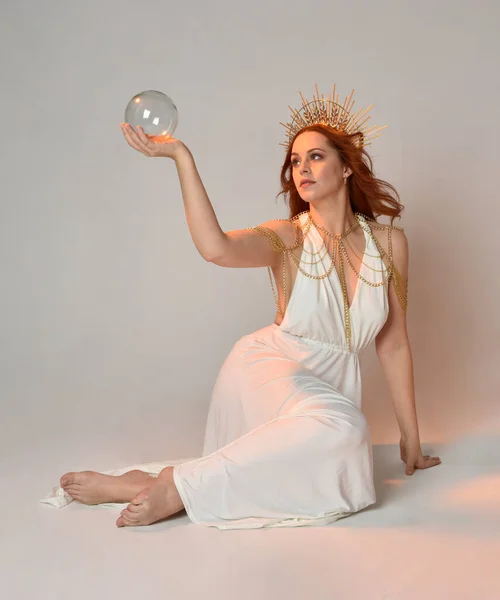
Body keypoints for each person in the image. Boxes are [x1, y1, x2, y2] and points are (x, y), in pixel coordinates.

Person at [59, 86, 441, 530]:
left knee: (344, 459)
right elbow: (215, 248)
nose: (302, 168)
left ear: (347, 167)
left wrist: (410, 438)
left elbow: (393, 345)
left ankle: (153, 481)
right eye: (295, 161)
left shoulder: (391, 244)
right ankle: (171, 488)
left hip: (330, 388)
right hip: (269, 370)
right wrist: (182, 158)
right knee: (348, 431)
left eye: (315, 156)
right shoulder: (290, 235)